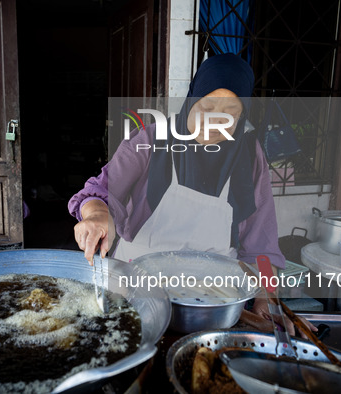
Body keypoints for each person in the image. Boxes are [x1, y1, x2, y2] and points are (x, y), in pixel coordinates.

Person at [68, 53, 316, 336]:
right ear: (191, 100)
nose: (214, 122)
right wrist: (99, 216)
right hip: (137, 295)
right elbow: (99, 192)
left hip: (212, 305)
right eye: (207, 106)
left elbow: (261, 244)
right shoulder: (150, 139)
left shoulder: (249, 155)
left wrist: (267, 297)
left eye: (231, 114)